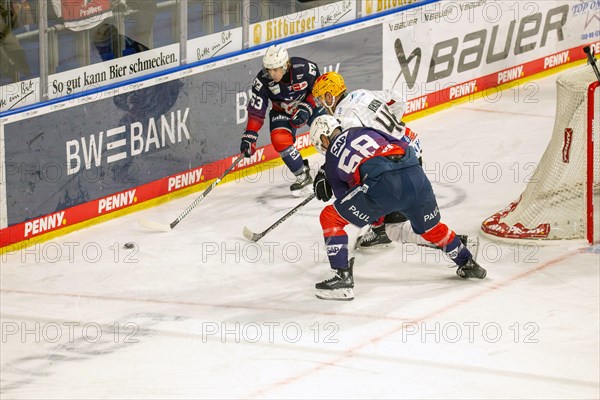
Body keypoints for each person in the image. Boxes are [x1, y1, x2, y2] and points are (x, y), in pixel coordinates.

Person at [308, 115, 486, 301]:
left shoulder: (330, 158)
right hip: (414, 172)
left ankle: (341, 278)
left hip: (382, 184)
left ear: (324, 139)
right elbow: (402, 143)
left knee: (330, 217)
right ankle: (467, 261)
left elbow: (345, 198)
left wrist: (377, 216)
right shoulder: (363, 129)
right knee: (430, 228)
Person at [311, 71, 428, 249]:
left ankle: (452, 243)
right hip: (411, 145)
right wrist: (391, 130)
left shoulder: (342, 117)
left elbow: (349, 150)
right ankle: (382, 227)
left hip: (400, 160)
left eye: (321, 99)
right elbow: (398, 99)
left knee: (393, 224)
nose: (321, 105)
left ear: (330, 96)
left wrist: (326, 171)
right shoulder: (361, 93)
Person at [240, 44, 325, 194]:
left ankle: (340, 164)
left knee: (326, 131)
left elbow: (319, 91)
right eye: (268, 69)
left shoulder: (305, 68)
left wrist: (307, 107)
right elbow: (256, 111)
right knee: (279, 139)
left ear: (286, 65)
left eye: (275, 69)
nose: (271, 73)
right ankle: (302, 174)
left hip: (308, 105)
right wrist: (250, 135)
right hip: (283, 111)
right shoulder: (262, 81)